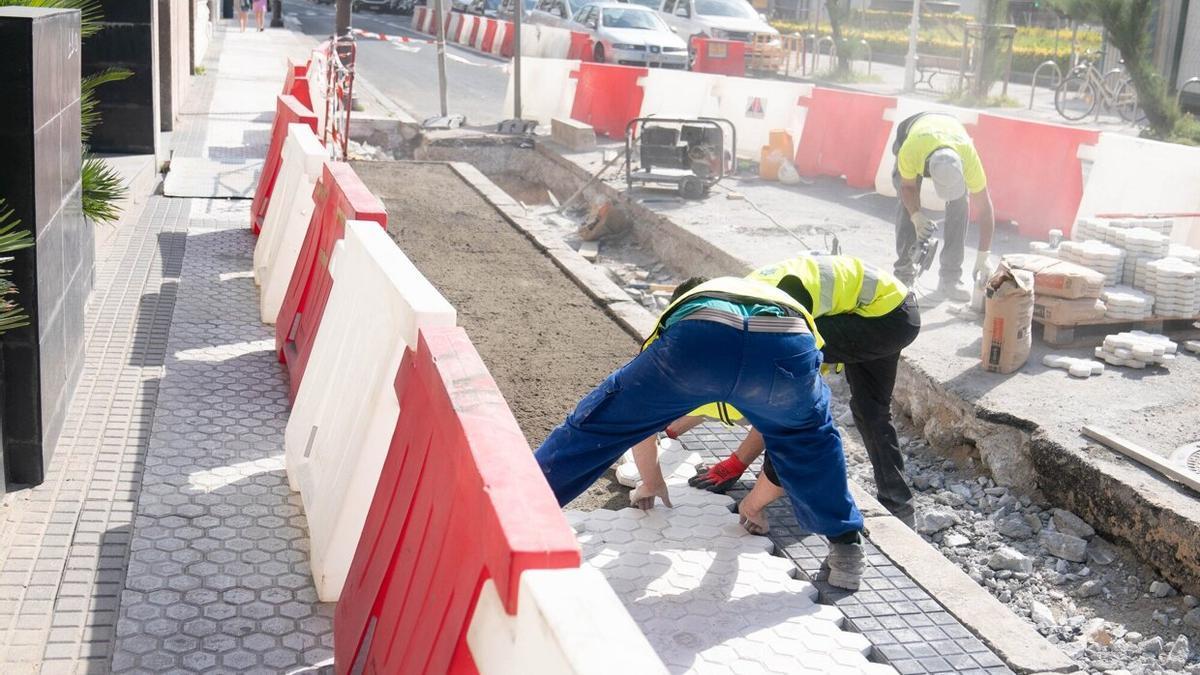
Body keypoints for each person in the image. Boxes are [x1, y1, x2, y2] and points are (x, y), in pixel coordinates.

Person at [534, 277, 867, 590]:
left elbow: (637, 421)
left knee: (599, 424)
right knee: (811, 442)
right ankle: (846, 548)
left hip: (699, 340)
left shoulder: (683, 312)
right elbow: (786, 432)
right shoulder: (762, 292)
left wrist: (651, 481)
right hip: (785, 344)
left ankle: (521, 505)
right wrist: (754, 501)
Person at [633, 255, 921, 533]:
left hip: (881, 316)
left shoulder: (769, 320)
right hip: (895, 309)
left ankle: (791, 498)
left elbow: (781, 405)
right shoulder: (741, 299)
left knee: (788, 397)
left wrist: (742, 475)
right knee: (871, 410)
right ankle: (899, 506)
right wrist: (671, 429)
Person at [891, 112, 995, 301]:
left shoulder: (969, 157)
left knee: (960, 203)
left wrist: (983, 255)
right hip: (913, 131)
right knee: (907, 203)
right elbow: (908, 187)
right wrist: (916, 216)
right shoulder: (911, 150)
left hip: (949, 135)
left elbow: (986, 209)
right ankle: (904, 275)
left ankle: (950, 278)